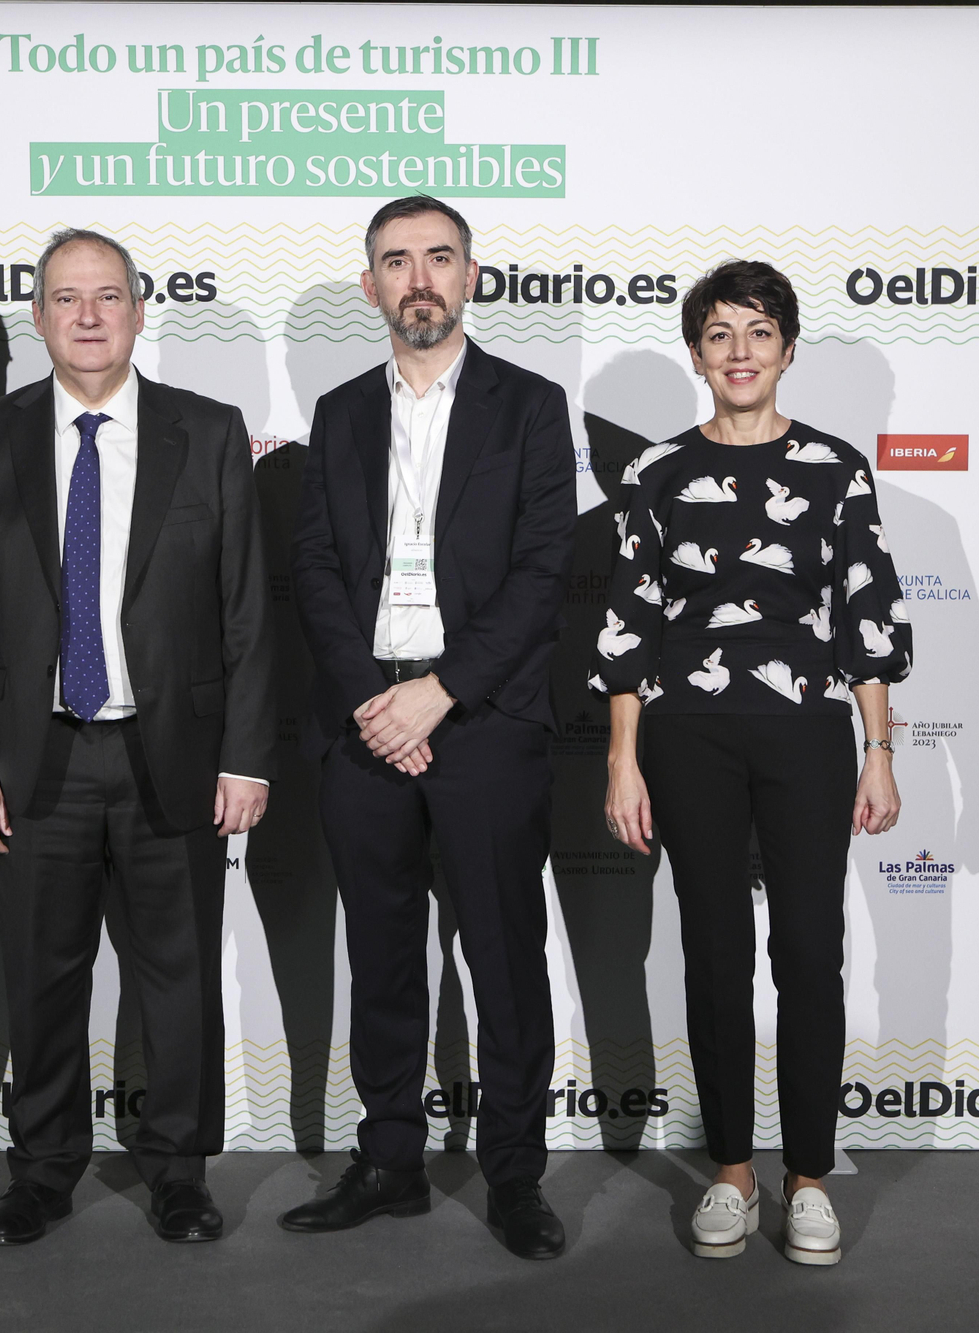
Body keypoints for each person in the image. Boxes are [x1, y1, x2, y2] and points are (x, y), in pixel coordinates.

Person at [0, 228, 275, 1246]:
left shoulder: (207, 432)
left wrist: (245, 753)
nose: (87, 315)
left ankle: (178, 1171)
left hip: (168, 756)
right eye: (65, 298)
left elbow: (246, 611)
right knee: (41, 976)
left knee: (177, 977)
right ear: (37, 317)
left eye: (107, 296)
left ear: (136, 311)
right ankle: (39, 1172)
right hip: (34, 757)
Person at [598, 259, 910, 1266]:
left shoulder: (832, 468)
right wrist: (621, 759)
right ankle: (730, 1173)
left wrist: (878, 752)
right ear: (696, 353)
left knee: (808, 952)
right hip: (686, 737)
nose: (738, 351)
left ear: (785, 348)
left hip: (807, 735)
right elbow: (628, 625)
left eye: (757, 331)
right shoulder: (654, 473)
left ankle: (807, 1177)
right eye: (720, 333)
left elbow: (866, 618)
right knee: (715, 951)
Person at [284, 195, 576, 1260]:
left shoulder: (531, 406)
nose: (419, 278)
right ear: (369, 285)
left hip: (485, 721)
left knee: (501, 958)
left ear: (469, 276)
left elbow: (543, 573)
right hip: (364, 725)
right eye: (395, 261)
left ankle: (512, 1175)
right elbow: (314, 565)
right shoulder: (341, 409)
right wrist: (376, 699)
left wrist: (437, 692)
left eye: (438, 258)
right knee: (382, 955)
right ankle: (390, 1159)